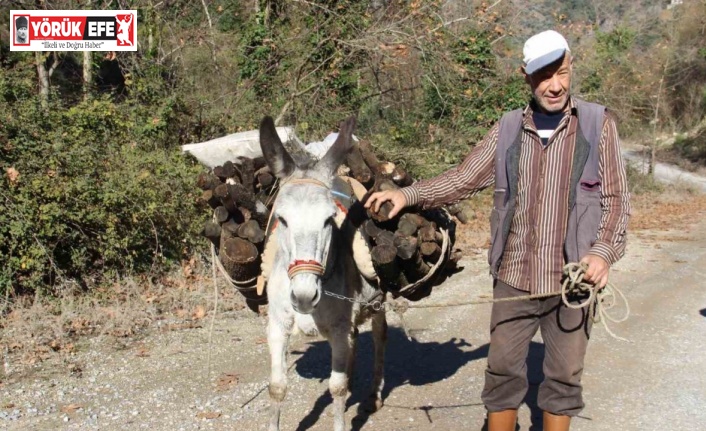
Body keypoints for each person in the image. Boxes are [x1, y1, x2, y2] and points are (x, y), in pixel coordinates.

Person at [365, 30, 631, 431]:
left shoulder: (597, 125)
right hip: (513, 279)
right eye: (543, 76)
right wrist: (409, 195)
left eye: (561, 73)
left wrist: (602, 253)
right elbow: (462, 179)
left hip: (572, 284)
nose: (555, 86)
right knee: (502, 374)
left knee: (563, 378)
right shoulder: (508, 129)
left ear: (571, 67)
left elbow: (616, 202)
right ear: (526, 75)